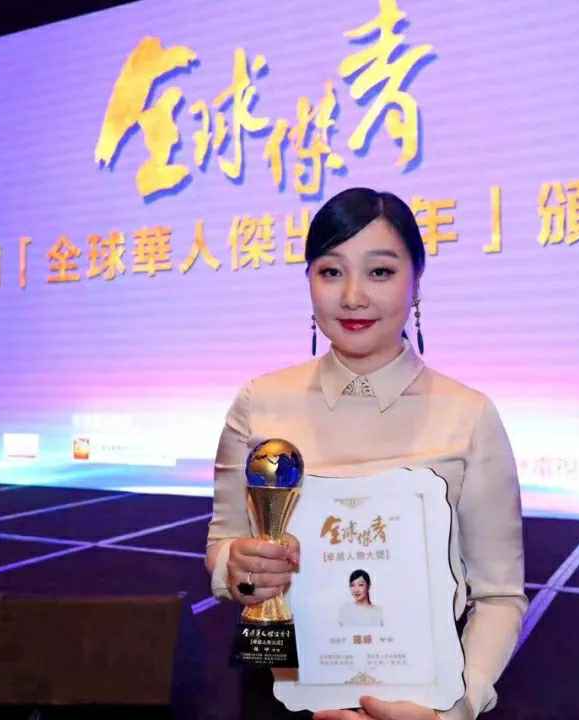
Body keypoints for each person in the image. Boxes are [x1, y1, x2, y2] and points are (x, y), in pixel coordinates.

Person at [206, 187, 526, 720]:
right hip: (280, 694)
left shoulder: (468, 415)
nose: (353, 296)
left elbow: (499, 596)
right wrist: (238, 569)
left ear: (416, 282)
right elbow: (223, 550)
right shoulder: (259, 403)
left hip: (420, 706)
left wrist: (457, 708)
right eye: (331, 272)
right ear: (309, 281)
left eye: (380, 272)